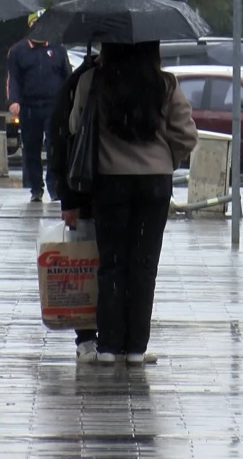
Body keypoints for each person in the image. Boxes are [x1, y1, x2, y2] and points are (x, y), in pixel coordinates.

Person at [64, 42, 198, 365]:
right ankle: (136, 346)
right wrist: (168, 157)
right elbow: (186, 135)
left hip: (109, 181)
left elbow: (74, 127)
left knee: (111, 262)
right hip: (154, 181)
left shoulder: (93, 81)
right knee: (144, 262)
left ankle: (108, 345)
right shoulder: (166, 84)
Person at [8, 11, 72, 202]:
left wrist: (70, 100)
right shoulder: (18, 51)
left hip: (54, 105)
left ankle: (54, 185)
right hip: (29, 106)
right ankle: (36, 187)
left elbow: (67, 76)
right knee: (31, 148)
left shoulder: (58, 50)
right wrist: (14, 101)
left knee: (55, 145)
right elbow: (14, 79)